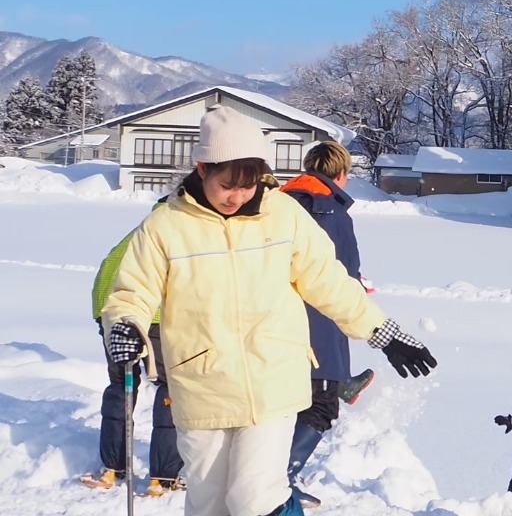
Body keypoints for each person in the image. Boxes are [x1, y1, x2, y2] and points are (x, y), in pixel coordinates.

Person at [101, 105, 437, 516]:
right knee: (209, 503)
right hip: (202, 385)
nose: (237, 196)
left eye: (248, 185)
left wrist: (383, 332)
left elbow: (328, 281)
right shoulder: (166, 226)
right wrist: (126, 325)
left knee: (254, 499)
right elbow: (131, 292)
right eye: (227, 184)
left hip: (273, 378)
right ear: (203, 169)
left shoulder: (284, 215)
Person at [279, 141, 375, 507]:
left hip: (274, 318)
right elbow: (343, 274)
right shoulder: (330, 210)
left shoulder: (279, 203)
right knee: (319, 407)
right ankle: (280, 481)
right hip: (316, 320)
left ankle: (343, 383)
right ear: (341, 174)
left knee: (283, 403)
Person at [81, 202, 185, 497]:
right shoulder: (177, 232)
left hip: (109, 310)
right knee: (170, 388)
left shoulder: (140, 231)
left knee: (122, 384)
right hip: (149, 314)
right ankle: (162, 477)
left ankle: (114, 467)